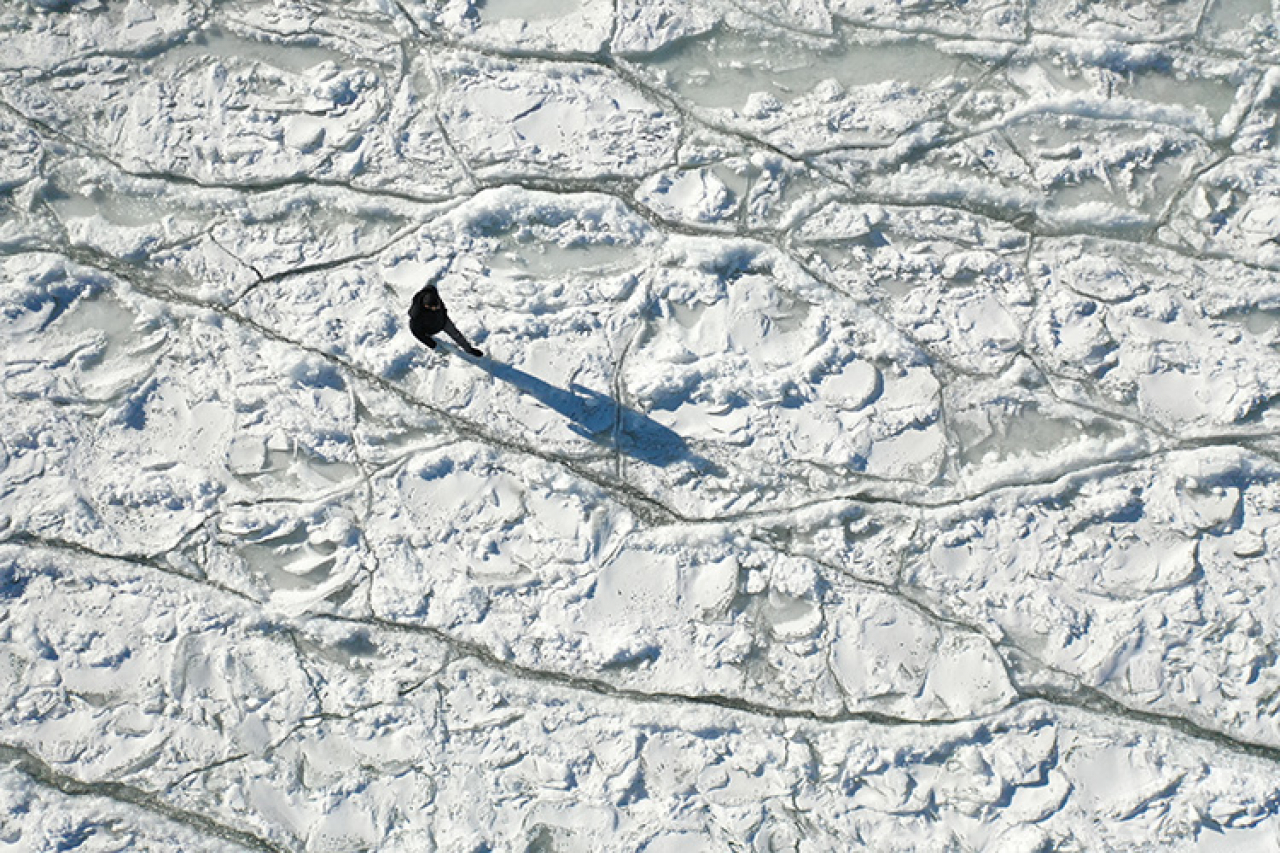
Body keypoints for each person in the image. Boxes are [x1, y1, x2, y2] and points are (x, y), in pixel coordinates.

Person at [408, 283, 483, 357]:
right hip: (431, 328)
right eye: (435, 308)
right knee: (424, 334)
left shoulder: (432, 293)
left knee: (456, 334)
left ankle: (469, 349)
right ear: (426, 306)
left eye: (438, 305)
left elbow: (439, 302)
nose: (438, 308)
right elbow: (416, 332)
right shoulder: (416, 315)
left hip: (443, 319)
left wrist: (444, 311)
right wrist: (432, 345)